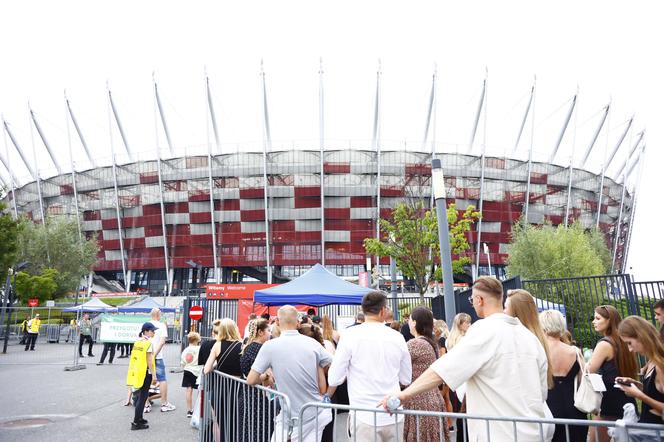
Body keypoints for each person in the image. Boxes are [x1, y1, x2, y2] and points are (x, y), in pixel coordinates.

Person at [381, 276, 550, 442]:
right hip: (534, 431)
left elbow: (443, 370)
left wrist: (403, 395)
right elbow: (541, 392)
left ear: (479, 299)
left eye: (472, 299)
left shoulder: (484, 330)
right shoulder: (530, 338)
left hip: (499, 433)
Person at [328, 291, 412, 441]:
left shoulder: (349, 335)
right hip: (393, 413)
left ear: (363, 310)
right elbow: (406, 379)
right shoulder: (397, 337)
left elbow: (334, 378)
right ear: (383, 311)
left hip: (363, 414)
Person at [247, 305, 333, 442]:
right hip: (314, 411)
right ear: (298, 322)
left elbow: (251, 379)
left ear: (277, 322)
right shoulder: (312, 343)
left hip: (291, 415)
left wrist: (266, 376)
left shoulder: (270, 346)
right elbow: (333, 366)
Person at [587, 305, 638, 442]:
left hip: (608, 401)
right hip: (625, 398)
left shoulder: (604, 343)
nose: (594, 321)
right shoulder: (622, 341)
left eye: (598, 318)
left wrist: (585, 361)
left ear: (610, 321)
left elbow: (589, 369)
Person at [539, 309, 588, 442]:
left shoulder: (539, 351)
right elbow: (583, 379)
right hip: (575, 410)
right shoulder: (575, 351)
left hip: (549, 410)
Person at [404, 306, 449, 442]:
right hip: (434, 397)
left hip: (419, 400)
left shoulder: (414, 344)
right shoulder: (432, 342)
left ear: (415, 322)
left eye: (410, 320)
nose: (408, 323)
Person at [616, 315, 664, 423]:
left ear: (641, 336)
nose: (630, 349)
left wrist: (639, 395)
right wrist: (638, 386)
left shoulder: (660, 365)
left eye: (629, 343)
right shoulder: (652, 362)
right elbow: (658, 393)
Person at [504, 290, 554, 389]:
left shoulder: (522, 341)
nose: (503, 311)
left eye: (505, 307)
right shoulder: (538, 338)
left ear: (516, 312)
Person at [203, 318, 243, 441]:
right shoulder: (242, 345)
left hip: (220, 389)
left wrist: (216, 365)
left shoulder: (217, 345)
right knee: (237, 421)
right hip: (237, 389)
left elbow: (206, 369)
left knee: (223, 422)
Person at [239, 318, 274, 442]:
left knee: (247, 428)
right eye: (268, 330)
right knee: (260, 430)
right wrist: (266, 376)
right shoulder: (260, 349)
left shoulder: (248, 346)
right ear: (260, 332)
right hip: (258, 397)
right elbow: (255, 376)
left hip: (247, 394)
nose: (270, 333)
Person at [126, 322, 157, 431]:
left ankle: (140, 418)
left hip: (137, 372)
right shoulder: (148, 343)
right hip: (145, 372)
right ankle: (136, 422)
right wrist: (154, 375)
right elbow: (149, 360)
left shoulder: (138, 341)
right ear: (146, 331)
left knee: (140, 396)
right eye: (152, 330)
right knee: (142, 398)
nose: (154, 332)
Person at [149, 308, 176, 412]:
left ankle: (146, 403)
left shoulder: (145, 324)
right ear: (158, 315)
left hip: (146, 356)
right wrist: (155, 354)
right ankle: (164, 403)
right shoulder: (161, 325)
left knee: (146, 379)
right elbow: (162, 342)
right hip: (158, 356)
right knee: (162, 379)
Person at [180, 332, 202, 418]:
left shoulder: (186, 350)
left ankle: (189, 410)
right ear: (197, 340)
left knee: (189, 390)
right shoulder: (200, 349)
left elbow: (183, 362)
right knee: (199, 391)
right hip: (198, 371)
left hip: (188, 370)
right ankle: (198, 409)